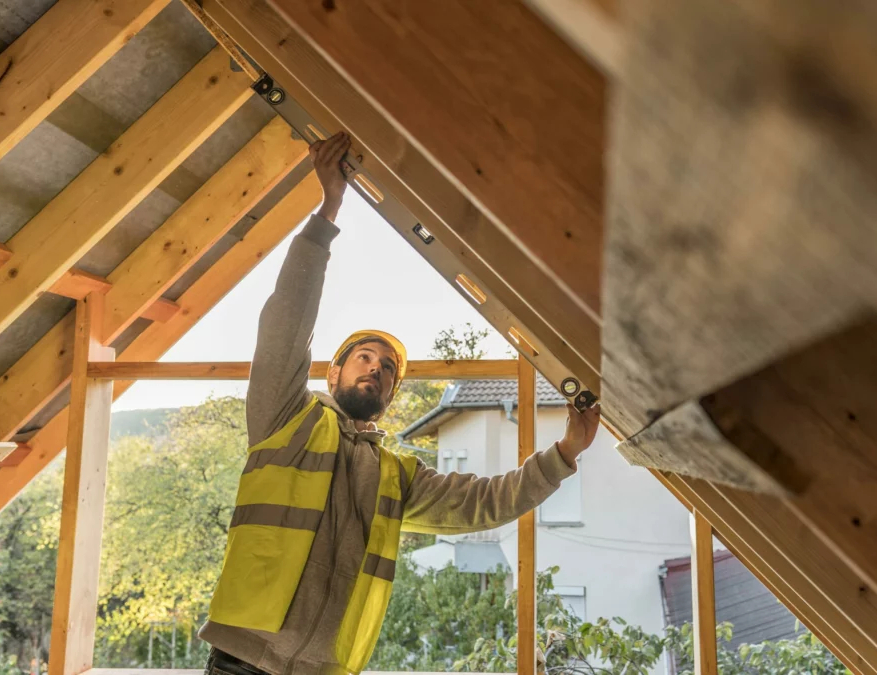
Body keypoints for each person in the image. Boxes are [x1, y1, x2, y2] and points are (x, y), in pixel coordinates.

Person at [200, 132, 601, 675]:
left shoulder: (395, 476)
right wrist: (328, 212)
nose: (377, 368)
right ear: (333, 372)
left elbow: (486, 503)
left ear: (388, 398)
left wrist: (565, 453)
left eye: (388, 369)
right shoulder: (285, 419)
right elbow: (284, 328)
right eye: (365, 357)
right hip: (242, 659)